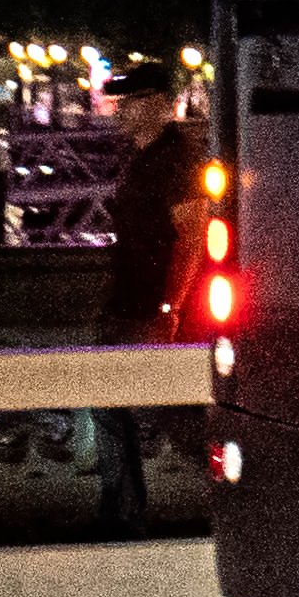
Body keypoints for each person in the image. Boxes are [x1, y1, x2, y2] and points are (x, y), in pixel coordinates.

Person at [93, 66, 208, 533]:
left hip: (151, 310)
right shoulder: (141, 158)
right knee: (108, 402)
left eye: (131, 102)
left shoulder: (175, 160)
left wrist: (171, 308)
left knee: (173, 415)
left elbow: (192, 236)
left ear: (160, 104)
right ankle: (120, 512)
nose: (120, 111)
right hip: (126, 304)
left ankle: (247, 491)